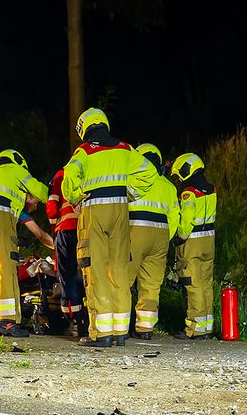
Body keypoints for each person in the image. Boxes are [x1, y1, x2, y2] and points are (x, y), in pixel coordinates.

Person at [61, 108, 156, 347]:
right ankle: (119, 332)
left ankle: (100, 333)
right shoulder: (125, 149)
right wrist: (129, 194)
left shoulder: (84, 151)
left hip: (94, 211)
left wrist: (75, 198)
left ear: (85, 128)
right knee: (119, 270)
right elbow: (149, 173)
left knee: (96, 270)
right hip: (120, 211)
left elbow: (69, 176)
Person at [0, 149, 49, 337]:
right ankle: (8, 322)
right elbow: (40, 190)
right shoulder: (15, 170)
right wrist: (58, 197)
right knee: (6, 268)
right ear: (18, 161)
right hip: (0, 215)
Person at [127, 144, 180, 338]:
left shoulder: (135, 179)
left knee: (124, 279)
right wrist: (166, 237)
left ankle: (120, 328)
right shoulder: (169, 186)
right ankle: (145, 329)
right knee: (151, 284)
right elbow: (175, 217)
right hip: (161, 235)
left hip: (135, 230)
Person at [169, 152, 217, 339]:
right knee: (206, 285)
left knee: (193, 285)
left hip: (192, 244)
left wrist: (178, 238)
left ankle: (194, 329)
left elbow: (186, 223)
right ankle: (207, 327)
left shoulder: (189, 193)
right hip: (209, 242)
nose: (179, 178)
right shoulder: (212, 189)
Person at [47, 167, 85, 336]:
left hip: (65, 229)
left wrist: (53, 224)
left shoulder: (60, 175)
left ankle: (73, 317)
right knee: (85, 271)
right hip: (86, 228)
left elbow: (52, 206)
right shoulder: (87, 172)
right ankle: (88, 315)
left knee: (67, 274)